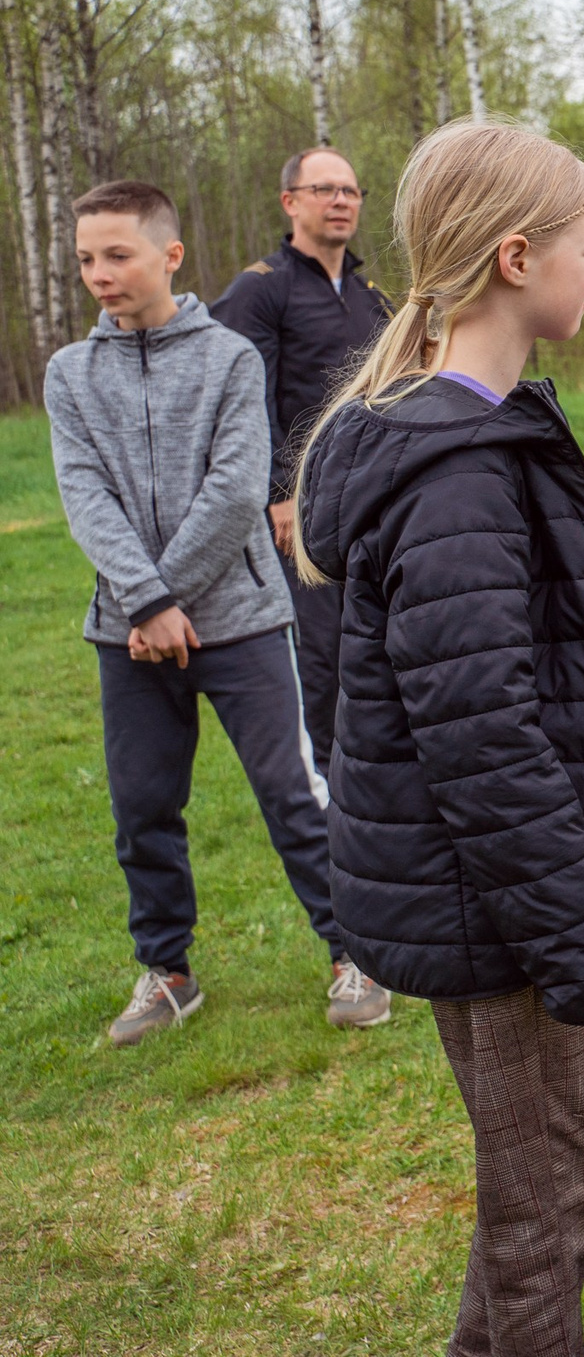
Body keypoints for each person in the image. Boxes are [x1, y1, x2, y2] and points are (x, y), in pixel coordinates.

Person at [294, 118, 584, 1357]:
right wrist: (576, 937)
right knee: (542, 1210)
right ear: (517, 257)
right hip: (495, 906)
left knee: (541, 1188)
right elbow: (483, 737)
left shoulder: (470, 429)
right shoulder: (452, 466)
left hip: (500, 893)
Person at [48, 179, 386, 1046]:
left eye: (117, 254)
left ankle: (354, 951)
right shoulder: (69, 373)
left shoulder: (232, 357)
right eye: (86, 258)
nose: (99, 274)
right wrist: (145, 601)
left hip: (239, 621)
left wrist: (166, 595)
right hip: (127, 631)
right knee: (142, 805)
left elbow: (238, 489)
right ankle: (167, 970)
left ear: (169, 255)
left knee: (292, 792)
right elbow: (84, 499)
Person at [209, 147, 393, 801]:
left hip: (372, 501)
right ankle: (324, 787)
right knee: (319, 653)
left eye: (350, 189)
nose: (341, 200)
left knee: (371, 637)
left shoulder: (372, 298)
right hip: (300, 512)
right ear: (291, 202)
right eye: (325, 189)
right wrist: (279, 495)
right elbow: (242, 403)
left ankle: (376, 773)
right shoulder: (260, 289)